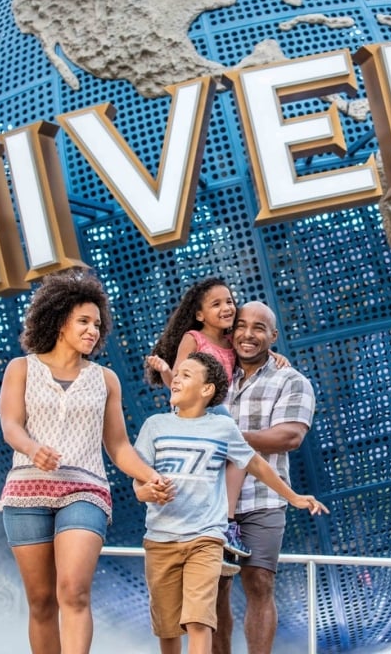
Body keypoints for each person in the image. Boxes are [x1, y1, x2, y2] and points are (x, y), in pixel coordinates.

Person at [0, 267, 171, 654]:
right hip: (26, 491)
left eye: (97, 323)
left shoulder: (106, 379)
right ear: (59, 321)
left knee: (74, 591)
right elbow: (10, 425)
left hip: (85, 490)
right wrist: (33, 449)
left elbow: (119, 446)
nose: (93, 330)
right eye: (83, 321)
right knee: (41, 601)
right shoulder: (21, 368)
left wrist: (151, 476)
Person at [133, 352, 327, 654]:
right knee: (168, 628)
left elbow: (256, 464)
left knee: (199, 621)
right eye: (177, 374)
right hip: (160, 540)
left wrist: (293, 496)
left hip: (206, 539)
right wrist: (144, 492)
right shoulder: (154, 426)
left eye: (185, 375)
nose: (176, 379)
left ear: (207, 389)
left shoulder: (223, 429)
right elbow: (138, 476)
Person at [144, 277, 286, 562]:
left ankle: (223, 525)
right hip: (196, 412)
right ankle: (213, 527)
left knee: (237, 457)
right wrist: (165, 372)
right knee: (236, 448)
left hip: (216, 417)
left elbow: (253, 346)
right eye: (216, 304)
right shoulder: (193, 338)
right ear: (199, 315)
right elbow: (178, 382)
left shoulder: (231, 341)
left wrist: (273, 354)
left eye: (229, 301)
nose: (226, 308)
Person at [214, 301, 317, 654]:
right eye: (241, 326)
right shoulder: (213, 375)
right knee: (215, 589)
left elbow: (290, 436)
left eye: (259, 328)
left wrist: (228, 437)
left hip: (263, 498)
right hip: (211, 500)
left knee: (259, 582)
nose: (248, 334)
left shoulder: (292, 381)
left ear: (273, 336)